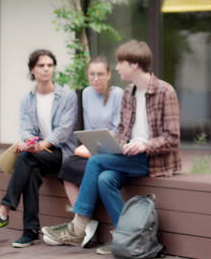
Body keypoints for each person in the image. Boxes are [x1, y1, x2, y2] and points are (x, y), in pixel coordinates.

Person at [42, 40, 181, 255]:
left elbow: (172, 138)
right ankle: (123, 237)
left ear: (134, 64)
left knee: (96, 162)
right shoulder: (128, 93)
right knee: (104, 179)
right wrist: (110, 143)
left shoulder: (165, 91)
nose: (116, 68)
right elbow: (123, 131)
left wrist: (144, 145)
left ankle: (79, 226)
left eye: (120, 63)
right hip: (130, 156)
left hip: (153, 160)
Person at [0, 49, 78, 248]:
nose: (46, 69)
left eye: (50, 65)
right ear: (32, 70)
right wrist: (30, 143)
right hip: (38, 155)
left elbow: (63, 131)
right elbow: (26, 129)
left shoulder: (67, 96)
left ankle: (4, 211)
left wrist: (39, 146)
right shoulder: (27, 99)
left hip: (62, 154)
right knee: (29, 166)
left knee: (26, 159)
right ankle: (30, 231)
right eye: (41, 65)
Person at [53, 57, 124, 247]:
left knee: (92, 169)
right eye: (92, 74)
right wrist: (90, 145)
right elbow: (90, 128)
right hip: (93, 148)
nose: (95, 79)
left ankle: (80, 227)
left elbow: (119, 131)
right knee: (67, 166)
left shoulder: (119, 94)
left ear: (109, 75)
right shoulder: (86, 93)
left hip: (112, 150)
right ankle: (83, 220)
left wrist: (98, 146)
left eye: (100, 74)